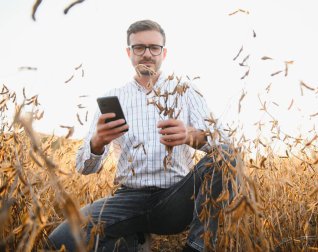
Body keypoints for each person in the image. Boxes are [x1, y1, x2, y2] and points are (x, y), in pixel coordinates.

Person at [48, 19, 235, 252]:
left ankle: (198, 246)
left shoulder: (186, 91)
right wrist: (98, 142)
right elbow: (85, 167)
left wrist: (189, 135)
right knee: (60, 240)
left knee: (228, 155)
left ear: (164, 53)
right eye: (139, 48)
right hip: (127, 199)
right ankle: (133, 240)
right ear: (129, 53)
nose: (147, 54)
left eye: (154, 48)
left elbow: (226, 146)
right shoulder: (114, 97)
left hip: (175, 198)